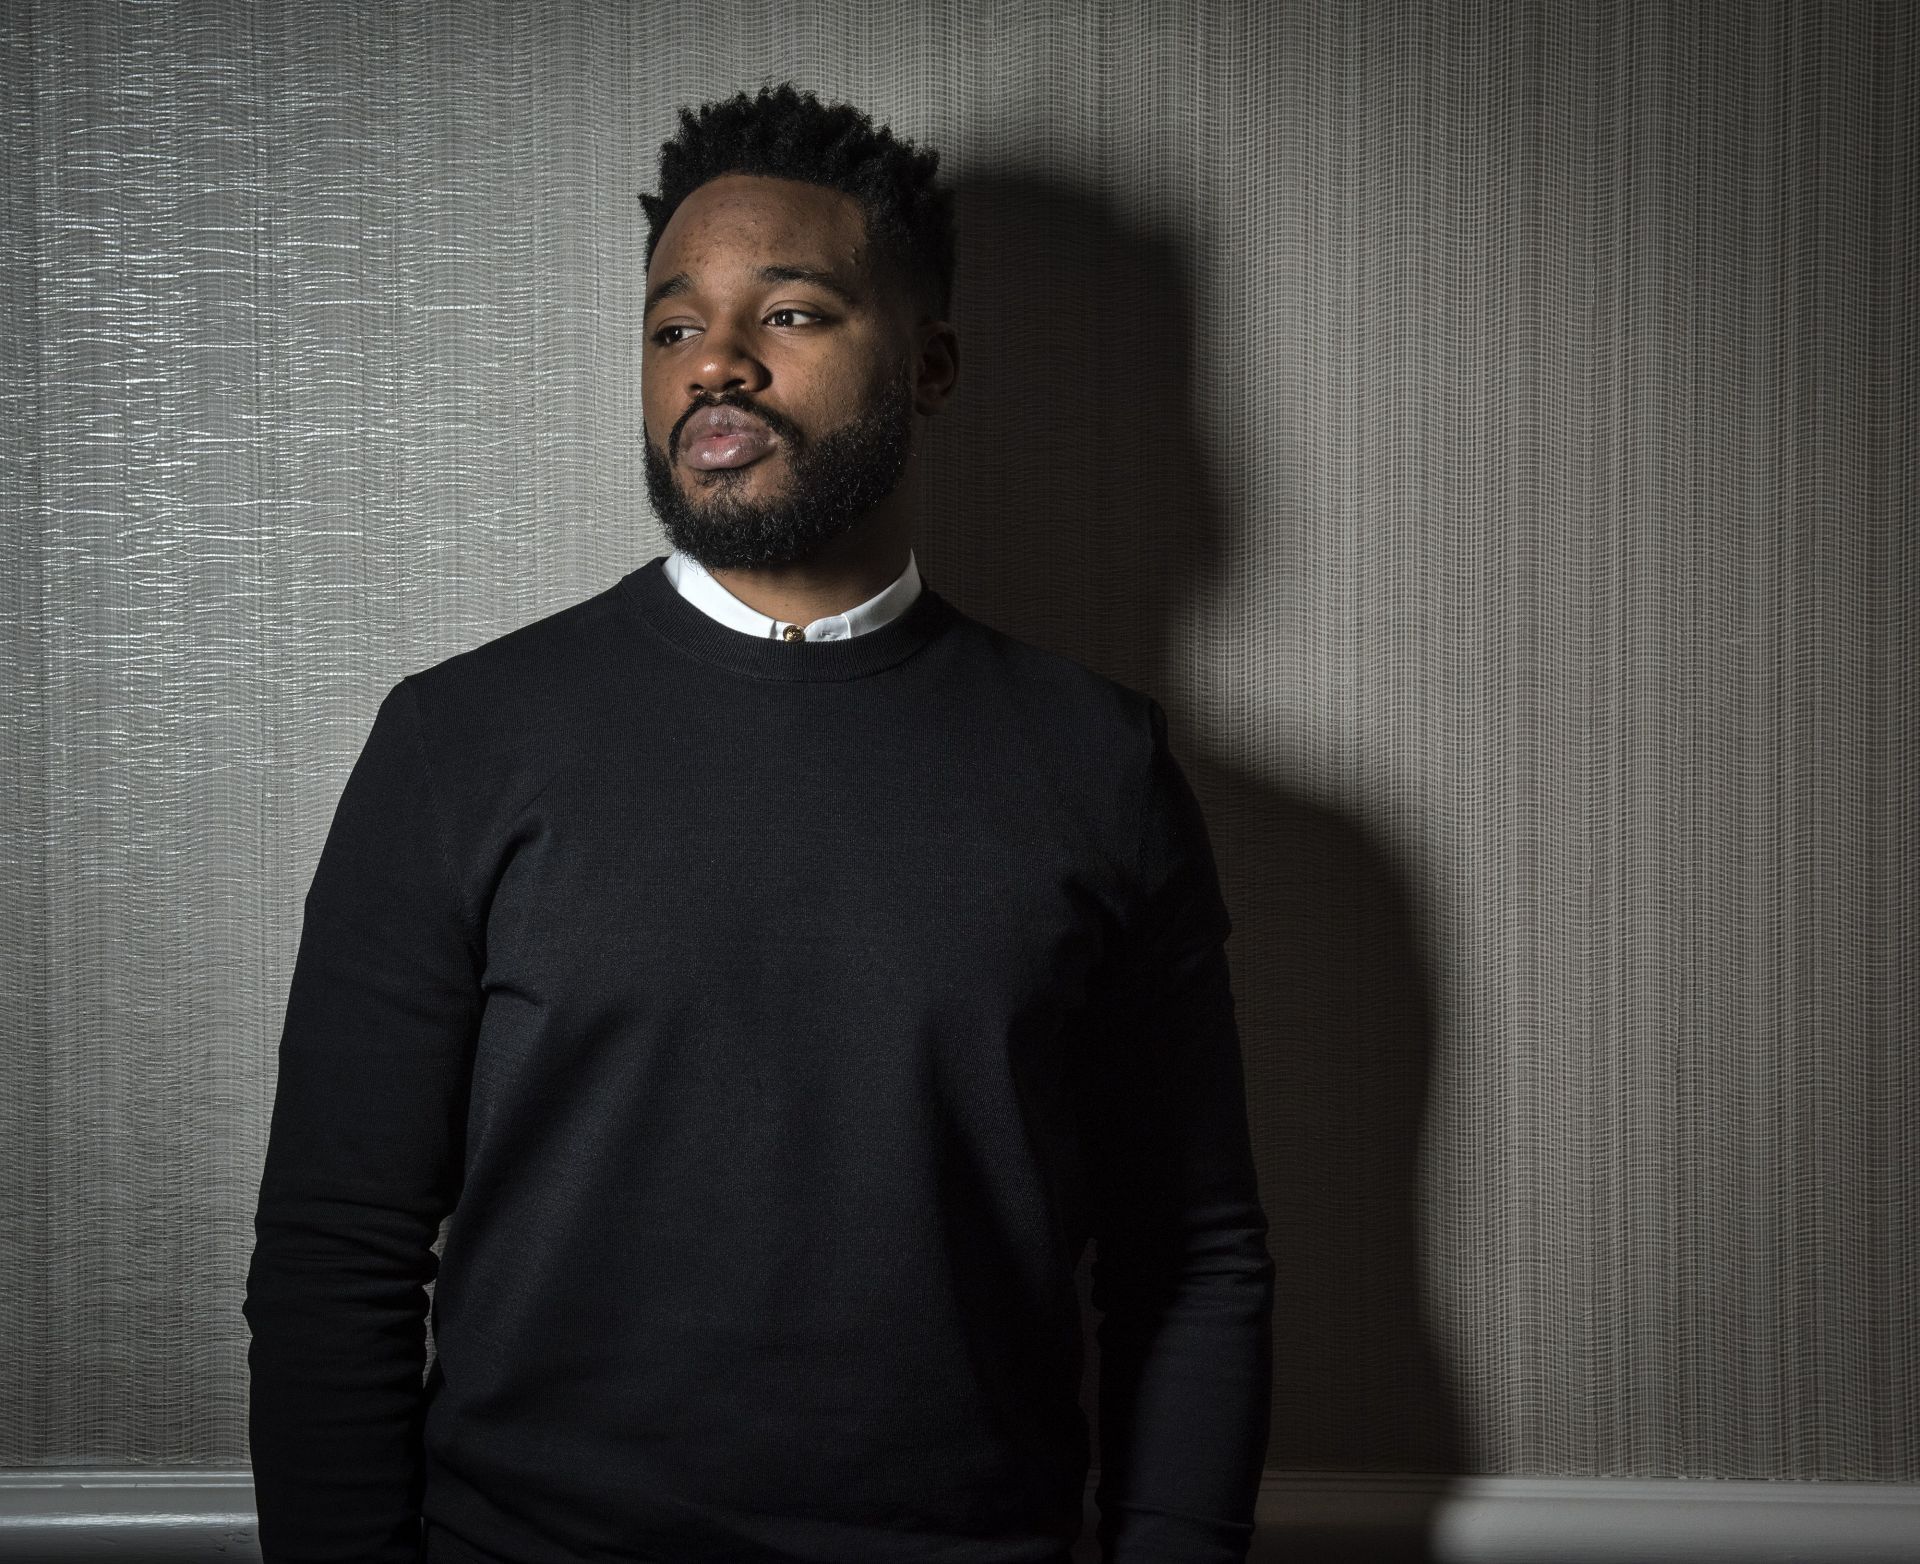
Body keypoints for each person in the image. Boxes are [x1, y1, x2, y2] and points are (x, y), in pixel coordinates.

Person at [243, 82, 1274, 1564]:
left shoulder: (1094, 762)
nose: (715, 361)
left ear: (927, 367)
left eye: (788, 314)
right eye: (673, 327)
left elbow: (1193, 1257)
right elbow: (340, 1246)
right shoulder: (458, 743)